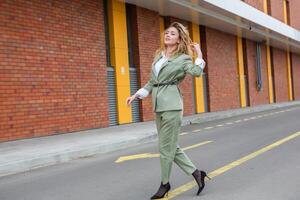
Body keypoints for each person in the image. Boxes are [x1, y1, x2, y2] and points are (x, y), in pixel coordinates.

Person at [126, 22, 210, 199]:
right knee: (170, 146)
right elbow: (152, 81)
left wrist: (199, 54)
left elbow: (195, 73)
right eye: (167, 33)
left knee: (165, 148)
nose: (168, 35)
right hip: (158, 105)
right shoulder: (159, 55)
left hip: (172, 105)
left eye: (172, 33)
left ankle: (165, 184)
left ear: (179, 38)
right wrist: (136, 95)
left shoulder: (183, 58)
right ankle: (197, 173)